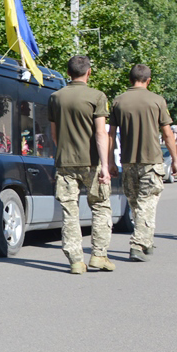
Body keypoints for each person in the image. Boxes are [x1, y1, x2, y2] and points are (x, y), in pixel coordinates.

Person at [108, 64, 177, 262]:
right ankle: (138, 245)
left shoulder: (118, 101)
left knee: (136, 204)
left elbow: (110, 133)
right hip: (151, 161)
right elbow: (167, 133)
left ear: (130, 79)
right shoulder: (157, 100)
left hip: (128, 161)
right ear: (148, 80)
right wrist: (176, 160)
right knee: (146, 203)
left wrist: (109, 161)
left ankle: (146, 240)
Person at [47, 56, 113, 274]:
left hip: (65, 162)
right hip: (91, 162)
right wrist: (105, 165)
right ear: (89, 72)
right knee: (101, 206)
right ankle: (99, 255)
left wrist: (64, 152)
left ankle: (75, 260)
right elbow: (100, 133)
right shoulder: (97, 96)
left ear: (68, 72)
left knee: (69, 211)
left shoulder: (55, 97)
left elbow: (54, 134)